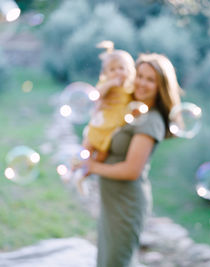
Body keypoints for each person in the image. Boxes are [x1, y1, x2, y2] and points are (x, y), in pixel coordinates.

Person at [79, 53, 183, 267]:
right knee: (107, 260)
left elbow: (131, 170)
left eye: (150, 79)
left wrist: (93, 166)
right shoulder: (131, 109)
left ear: (160, 86)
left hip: (126, 205)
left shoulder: (151, 120)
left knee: (116, 262)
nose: (142, 83)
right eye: (140, 75)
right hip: (112, 201)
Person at [76, 41, 136, 194]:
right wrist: (110, 84)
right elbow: (97, 95)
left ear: (129, 70)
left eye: (121, 68)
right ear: (105, 73)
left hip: (113, 127)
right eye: (112, 69)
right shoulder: (105, 83)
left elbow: (134, 104)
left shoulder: (129, 87)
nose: (117, 72)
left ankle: (85, 175)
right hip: (100, 123)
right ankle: (75, 165)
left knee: (102, 155)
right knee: (87, 148)